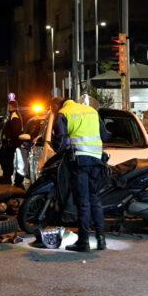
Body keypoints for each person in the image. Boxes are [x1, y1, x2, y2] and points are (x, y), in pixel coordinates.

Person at [51, 96, 109, 252]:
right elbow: (104, 135)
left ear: (56, 106)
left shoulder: (63, 113)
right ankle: (101, 238)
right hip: (96, 160)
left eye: (52, 109)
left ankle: (83, 241)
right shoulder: (91, 111)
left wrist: (65, 146)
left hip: (79, 161)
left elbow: (59, 141)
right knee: (94, 199)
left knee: (82, 201)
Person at [0, 99, 24, 189]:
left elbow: (15, 131)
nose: (8, 107)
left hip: (10, 143)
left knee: (6, 159)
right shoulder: (12, 115)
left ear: (12, 106)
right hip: (8, 143)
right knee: (2, 156)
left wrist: (9, 140)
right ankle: (6, 175)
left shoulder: (15, 115)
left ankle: (7, 177)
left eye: (9, 106)